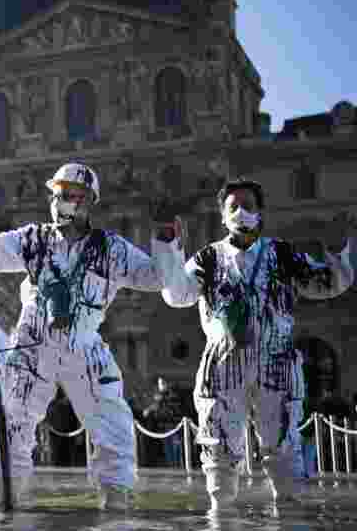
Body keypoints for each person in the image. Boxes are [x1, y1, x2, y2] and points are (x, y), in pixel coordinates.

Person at [0, 162, 169, 510]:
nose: (61, 202)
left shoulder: (111, 248)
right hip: (33, 343)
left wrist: (165, 236)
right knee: (14, 429)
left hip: (84, 343)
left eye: (70, 196)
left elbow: (157, 278)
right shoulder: (33, 238)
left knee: (113, 427)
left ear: (89, 201)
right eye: (57, 195)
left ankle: (117, 509)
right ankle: (7, 508)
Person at [152, 177, 354, 509]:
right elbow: (176, 294)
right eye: (233, 206)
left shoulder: (283, 254)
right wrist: (168, 246)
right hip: (223, 365)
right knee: (218, 448)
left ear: (261, 212)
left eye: (248, 206)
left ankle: (289, 517)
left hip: (276, 362)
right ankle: (221, 523)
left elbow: (330, 284)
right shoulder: (208, 258)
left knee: (283, 445)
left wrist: (336, 251)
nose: (241, 212)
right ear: (222, 215)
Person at [142, 377, 186, 468]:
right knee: (168, 451)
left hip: (174, 427)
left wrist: (157, 403)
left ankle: (178, 468)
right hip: (164, 427)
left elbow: (172, 409)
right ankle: (172, 468)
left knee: (176, 451)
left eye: (162, 383)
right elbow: (156, 409)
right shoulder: (160, 396)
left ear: (166, 383)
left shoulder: (172, 395)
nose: (160, 386)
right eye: (159, 384)